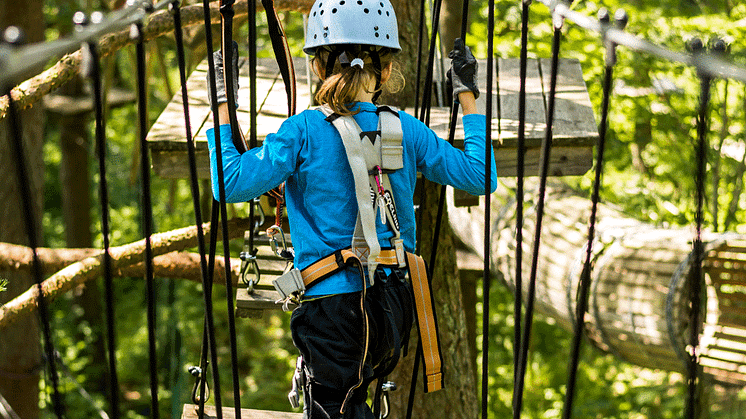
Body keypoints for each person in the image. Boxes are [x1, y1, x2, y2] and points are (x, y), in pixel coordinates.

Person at [206, 0, 497, 417]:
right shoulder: (406, 128)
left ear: (318, 68)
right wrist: (466, 93)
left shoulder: (301, 131)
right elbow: (480, 175)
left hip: (334, 314)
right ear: (388, 71)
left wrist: (222, 102)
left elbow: (228, 183)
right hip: (395, 308)